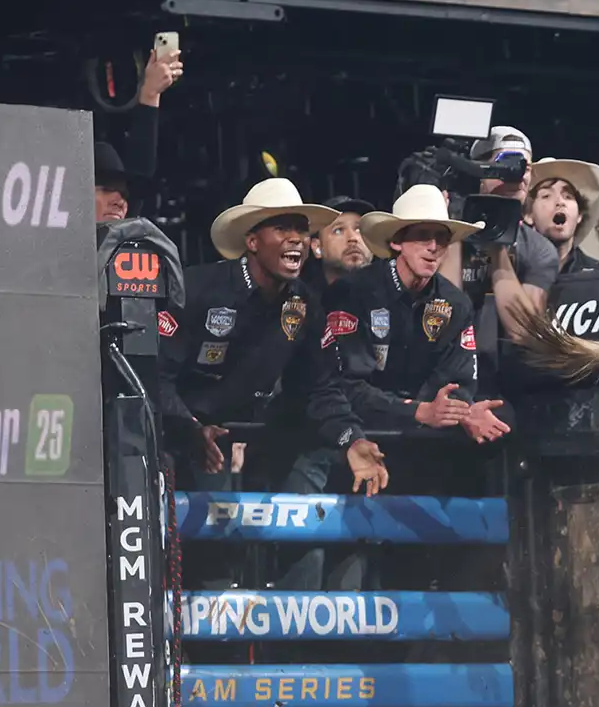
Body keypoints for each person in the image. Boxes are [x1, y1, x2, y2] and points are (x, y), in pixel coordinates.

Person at [312, 183, 509, 493]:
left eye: (442, 239)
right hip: (360, 445)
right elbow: (344, 386)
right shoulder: (353, 293)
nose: (433, 247)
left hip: (425, 450)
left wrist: (459, 411)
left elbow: (457, 384)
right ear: (396, 242)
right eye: (422, 236)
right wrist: (418, 411)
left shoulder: (456, 304)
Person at [157, 178, 344, 493]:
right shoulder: (197, 290)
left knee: (322, 456)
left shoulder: (306, 305)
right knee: (216, 510)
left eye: (301, 231)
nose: (296, 239)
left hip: (262, 442)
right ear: (253, 242)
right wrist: (189, 429)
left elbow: (320, 387)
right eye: (282, 229)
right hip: (189, 441)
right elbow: (155, 376)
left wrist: (352, 438)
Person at [443, 126, 561, 347]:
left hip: (508, 374)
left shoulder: (539, 249)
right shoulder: (441, 237)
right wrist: (455, 227)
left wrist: (497, 242)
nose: (516, 177)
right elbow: (443, 320)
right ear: (477, 172)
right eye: (504, 165)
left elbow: (524, 331)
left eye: (523, 168)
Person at [93, 42, 183, 222]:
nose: (120, 201)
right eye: (107, 189)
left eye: (125, 195)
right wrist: (150, 93)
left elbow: (141, 169)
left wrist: (152, 92)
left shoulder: (124, 240)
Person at [525, 159, 599, 272]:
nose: (560, 202)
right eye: (546, 196)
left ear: (579, 215)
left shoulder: (596, 275)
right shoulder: (512, 270)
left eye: (568, 196)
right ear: (528, 214)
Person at [308, 196, 373, 288]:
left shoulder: (391, 296)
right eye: (338, 231)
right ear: (317, 247)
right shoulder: (305, 298)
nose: (353, 238)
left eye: (359, 230)